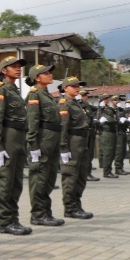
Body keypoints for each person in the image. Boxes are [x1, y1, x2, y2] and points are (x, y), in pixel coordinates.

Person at [0, 55, 32, 236]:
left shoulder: (14, 90)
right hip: (7, 139)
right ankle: (4, 221)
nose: (18, 68)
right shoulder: (1, 90)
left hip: (18, 139)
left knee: (16, 182)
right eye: (13, 66)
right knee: (4, 182)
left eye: (19, 66)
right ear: (3, 71)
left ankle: (13, 219)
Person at [24, 64, 64, 227]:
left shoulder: (47, 95)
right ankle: (38, 214)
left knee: (49, 177)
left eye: (49, 72)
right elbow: (32, 122)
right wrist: (33, 145)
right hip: (42, 140)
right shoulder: (34, 95)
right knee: (39, 178)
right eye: (45, 73)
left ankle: (46, 212)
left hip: (52, 140)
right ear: (37, 78)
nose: (50, 75)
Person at [59, 77, 93, 218]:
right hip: (72, 142)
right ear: (65, 88)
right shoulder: (64, 104)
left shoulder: (76, 103)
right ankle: (70, 207)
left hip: (82, 142)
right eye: (73, 86)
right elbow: (63, 127)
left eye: (78, 85)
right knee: (71, 175)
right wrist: (64, 148)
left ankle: (77, 204)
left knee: (81, 175)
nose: (77, 88)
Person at [98, 95, 118, 178]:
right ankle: (106, 172)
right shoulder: (100, 110)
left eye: (107, 98)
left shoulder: (109, 108)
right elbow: (111, 119)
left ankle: (109, 170)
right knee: (108, 153)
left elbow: (116, 116)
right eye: (105, 99)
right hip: (107, 132)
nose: (107, 100)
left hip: (113, 132)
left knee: (112, 153)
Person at [115, 98, 130, 175]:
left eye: (120, 101)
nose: (119, 102)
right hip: (118, 133)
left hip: (123, 132)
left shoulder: (122, 111)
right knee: (119, 151)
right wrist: (119, 122)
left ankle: (121, 167)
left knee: (123, 151)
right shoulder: (113, 111)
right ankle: (118, 168)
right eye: (117, 101)